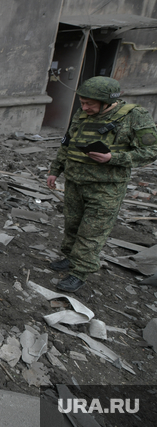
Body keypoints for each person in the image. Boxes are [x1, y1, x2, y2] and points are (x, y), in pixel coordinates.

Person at [47, 76, 157, 293]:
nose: (84, 107)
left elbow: (151, 151)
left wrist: (113, 158)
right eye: (82, 102)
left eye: (90, 104)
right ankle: (70, 258)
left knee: (91, 232)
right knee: (72, 225)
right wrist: (55, 170)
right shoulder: (83, 114)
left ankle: (79, 272)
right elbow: (67, 143)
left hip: (106, 188)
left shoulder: (135, 116)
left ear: (108, 102)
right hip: (75, 182)